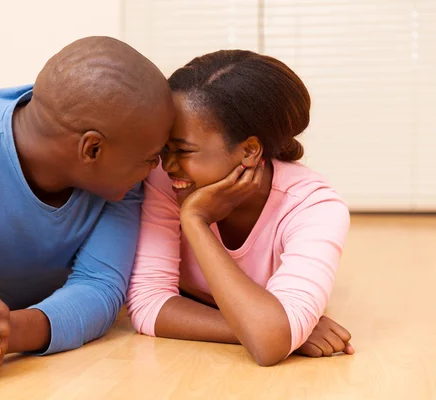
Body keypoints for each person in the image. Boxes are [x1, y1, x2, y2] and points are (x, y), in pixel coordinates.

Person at [0, 36, 174, 386]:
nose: (159, 166)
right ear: (92, 149)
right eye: (150, 157)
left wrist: (10, 332)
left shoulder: (123, 170)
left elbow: (100, 287)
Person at [126, 50, 354, 366]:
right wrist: (270, 328)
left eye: (183, 150)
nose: (167, 163)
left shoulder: (314, 207)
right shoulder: (165, 180)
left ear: (249, 150)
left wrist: (194, 220)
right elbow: (149, 304)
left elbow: (268, 346)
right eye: (165, 147)